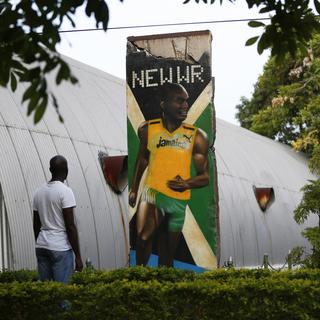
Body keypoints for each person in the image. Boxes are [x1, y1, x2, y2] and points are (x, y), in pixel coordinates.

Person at [129, 83, 209, 267]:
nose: (185, 106)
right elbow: (143, 159)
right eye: (179, 101)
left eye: (187, 101)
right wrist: (134, 189)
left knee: (166, 256)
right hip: (153, 193)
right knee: (142, 236)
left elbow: (204, 177)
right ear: (163, 104)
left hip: (178, 200)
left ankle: (163, 288)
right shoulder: (148, 130)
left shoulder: (197, 137)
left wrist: (187, 183)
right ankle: (139, 276)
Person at [33, 155, 83, 283]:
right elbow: (70, 226)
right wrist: (78, 256)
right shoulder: (65, 191)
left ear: (50, 169)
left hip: (42, 246)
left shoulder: (38, 191)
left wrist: (41, 241)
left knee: (46, 293)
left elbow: (36, 224)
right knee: (63, 294)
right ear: (66, 171)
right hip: (60, 248)